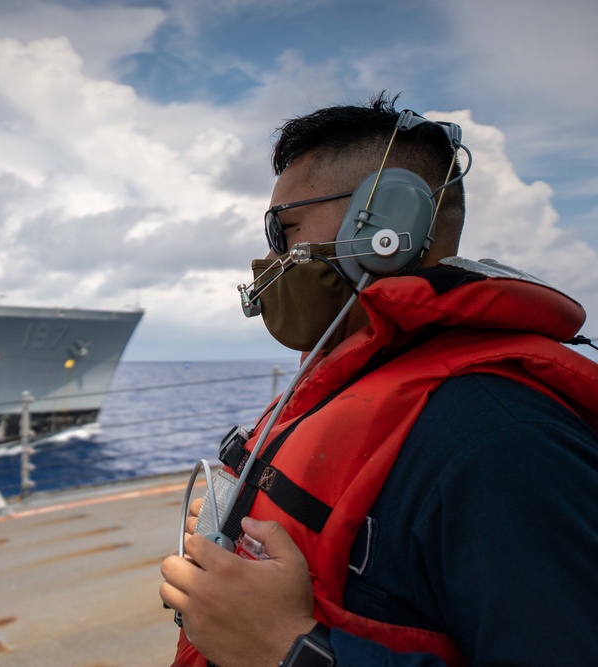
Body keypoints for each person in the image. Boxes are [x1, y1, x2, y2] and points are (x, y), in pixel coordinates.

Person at [159, 93, 598, 667]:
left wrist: (289, 648)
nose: (272, 256)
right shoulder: (354, 379)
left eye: (283, 229)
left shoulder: (502, 440)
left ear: (389, 220)